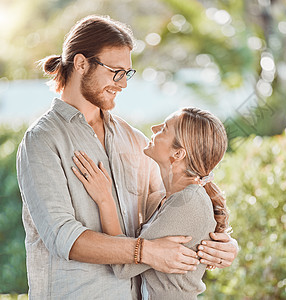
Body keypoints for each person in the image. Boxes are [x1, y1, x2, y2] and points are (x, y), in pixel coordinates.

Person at [16, 15, 238, 300]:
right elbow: (64, 238)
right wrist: (144, 251)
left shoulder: (132, 139)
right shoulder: (43, 140)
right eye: (115, 72)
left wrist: (222, 243)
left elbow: (170, 206)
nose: (122, 84)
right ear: (81, 63)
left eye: (127, 73)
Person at [72, 107, 229, 299]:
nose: (154, 128)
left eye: (164, 129)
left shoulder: (189, 202)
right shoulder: (164, 199)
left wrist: (104, 198)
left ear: (178, 154)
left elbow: (123, 266)